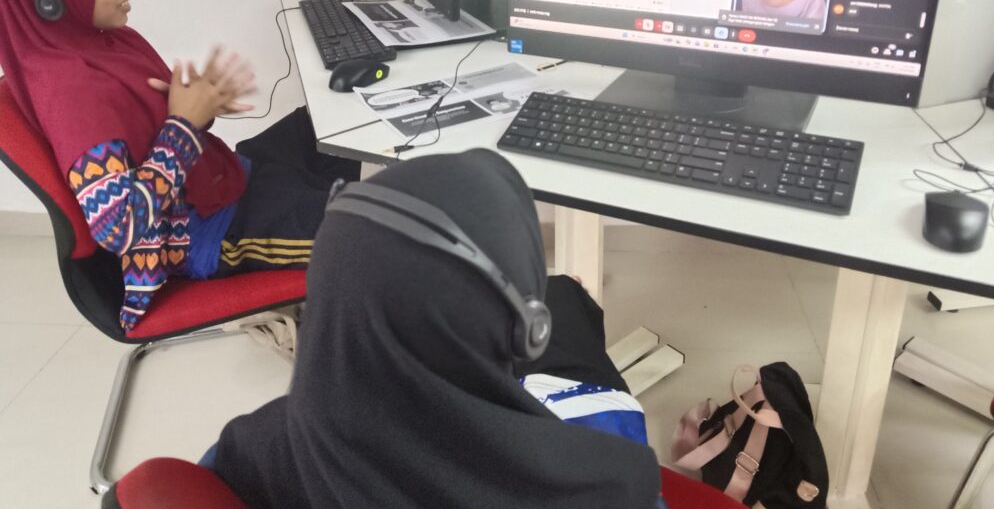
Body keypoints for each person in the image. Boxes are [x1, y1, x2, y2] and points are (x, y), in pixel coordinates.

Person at [210, 150, 665, 509]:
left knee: (560, 297)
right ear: (530, 332)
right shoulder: (610, 484)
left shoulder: (252, 446)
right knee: (566, 298)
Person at [0, 0, 359, 331]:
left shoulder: (106, 43)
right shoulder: (73, 93)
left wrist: (199, 107)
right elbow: (120, 225)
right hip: (209, 232)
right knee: (372, 229)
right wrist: (185, 126)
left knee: (331, 122)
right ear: (50, 0)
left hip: (221, 179)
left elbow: (153, 129)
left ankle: (346, 252)